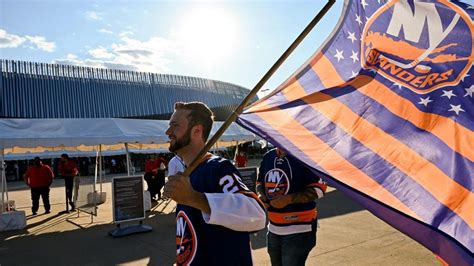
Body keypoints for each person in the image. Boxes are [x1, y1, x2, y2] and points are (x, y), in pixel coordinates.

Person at [163, 101, 266, 266]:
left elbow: (257, 215)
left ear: (197, 130)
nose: (168, 132)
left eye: (175, 126)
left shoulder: (217, 168)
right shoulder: (186, 174)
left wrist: (195, 198)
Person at [256, 147, 327, 266]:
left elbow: (319, 189)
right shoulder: (268, 156)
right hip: (273, 227)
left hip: (299, 228)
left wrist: (288, 199)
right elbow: (259, 182)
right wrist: (261, 195)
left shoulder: (305, 156)